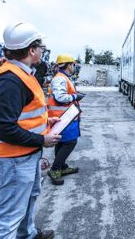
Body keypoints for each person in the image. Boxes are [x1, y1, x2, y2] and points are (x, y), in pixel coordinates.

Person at [0, 22, 61, 239]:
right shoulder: (9, 80)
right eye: (40, 47)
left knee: (29, 198)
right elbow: (4, 128)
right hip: (13, 159)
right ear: (31, 50)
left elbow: (26, 113)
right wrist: (42, 139)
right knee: (10, 214)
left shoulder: (23, 74)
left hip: (25, 155)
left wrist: (48, 120)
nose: (42, 51)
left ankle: (27, 234)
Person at [47, 54, 85, 185]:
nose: (74, 67)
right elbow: (60, 97)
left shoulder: (64, 77)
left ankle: (61, 166)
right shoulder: (60, 79)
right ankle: (55, 169)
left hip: (65, 117)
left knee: (62, 142)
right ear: (69, 65)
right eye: (73, 64)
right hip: (63, 118)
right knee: (70, 142)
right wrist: (75, 97)